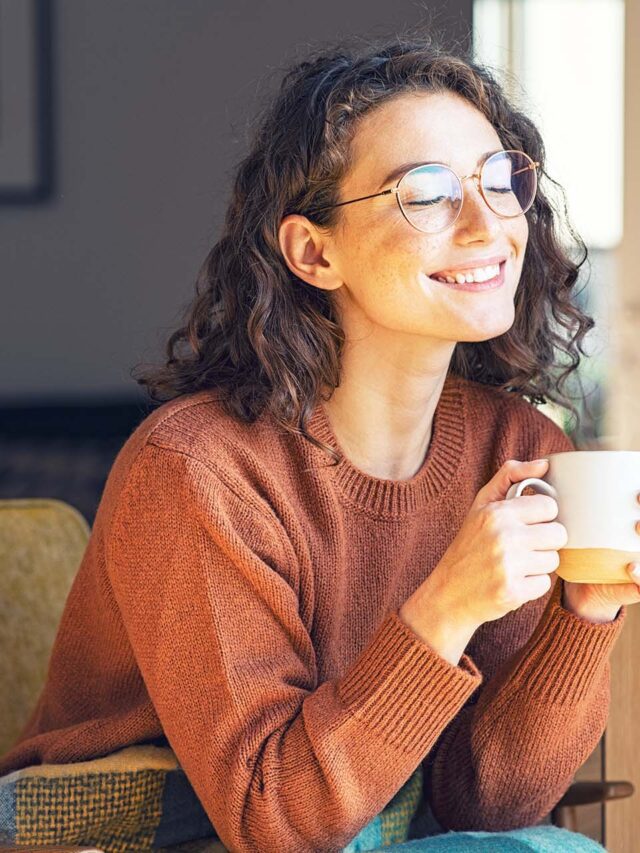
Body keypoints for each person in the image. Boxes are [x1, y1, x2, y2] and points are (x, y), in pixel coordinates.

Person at [1, 30, 638, 853]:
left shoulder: (516, 446)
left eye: (499, 180)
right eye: (428, 193)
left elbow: (487, 803)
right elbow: (274, 820)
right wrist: (445, 606)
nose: (488, 224)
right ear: (313, 250)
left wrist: (584, 613)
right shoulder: (200, 471)